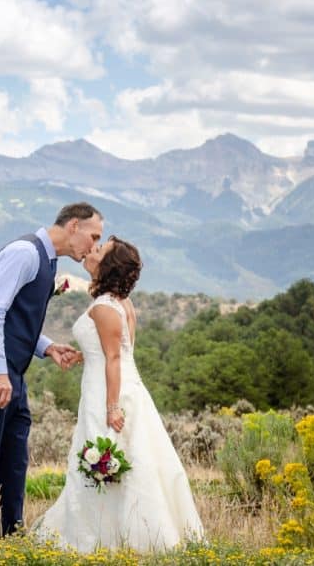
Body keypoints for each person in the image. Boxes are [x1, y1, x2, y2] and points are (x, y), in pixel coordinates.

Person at [35, 236, 205, 551]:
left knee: (110, 457)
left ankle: (104, 538)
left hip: (108, 392)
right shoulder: (120, 303)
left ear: (108, 265)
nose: (92, 250)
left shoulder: (103, 307)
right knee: (130, 461)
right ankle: (117, 535)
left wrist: (112, 408)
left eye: (100, 250)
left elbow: (115, 358)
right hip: (121, 385)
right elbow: (118, 350)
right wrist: (82, 354)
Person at [0, 202, 104, 537]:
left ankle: (11, 537)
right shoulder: (25, 253)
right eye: (93, 235)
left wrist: (47, 347)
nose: (94, 245)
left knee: (14, 459)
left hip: (13, 373)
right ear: (73, 226)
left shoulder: (47, 262)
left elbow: (15, 318)